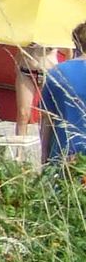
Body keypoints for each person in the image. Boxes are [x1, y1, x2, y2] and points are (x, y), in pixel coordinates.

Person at [39, 23, 86, 164]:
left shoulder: (57, 72)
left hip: (64, 156)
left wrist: (44, 154)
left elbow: (47, 120)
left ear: (76, 43)